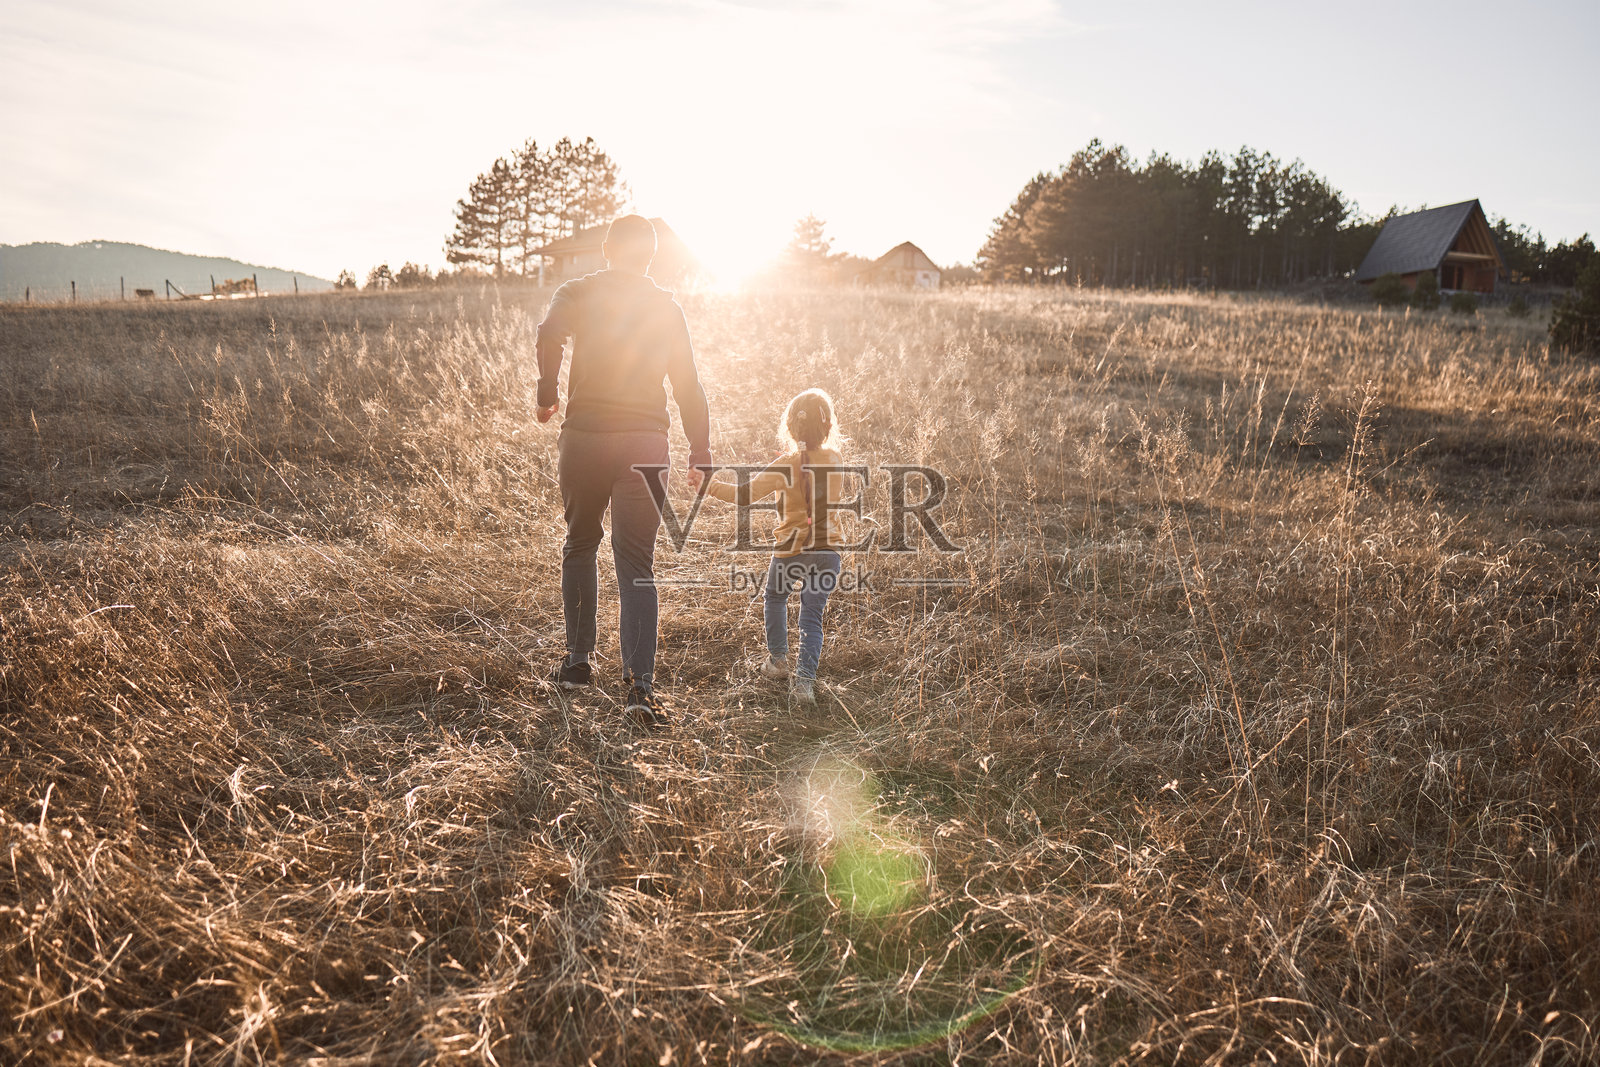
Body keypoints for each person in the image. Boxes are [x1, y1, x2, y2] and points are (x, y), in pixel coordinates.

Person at [534, 214, 711, 726]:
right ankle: (639, 689)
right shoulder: (665, 305)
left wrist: (547, 394)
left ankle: (577, 664)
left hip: (584, 439)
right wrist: (700, 451)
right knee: (636, 564)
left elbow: (549, 333)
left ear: (607, 249)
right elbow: (688, 383)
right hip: (645, 444)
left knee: (581, 543)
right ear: (651, 257)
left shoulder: (578, 290)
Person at [704, 389, 846, 705]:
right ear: (827, 427)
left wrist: (710, 485)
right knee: (812, 617)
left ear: (791, 428)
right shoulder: (836, 459)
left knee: (775, 596)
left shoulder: (786, 464)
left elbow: (743, 494)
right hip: (828, 553)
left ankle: (778, 661)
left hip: (790, 551)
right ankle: (804, 684)